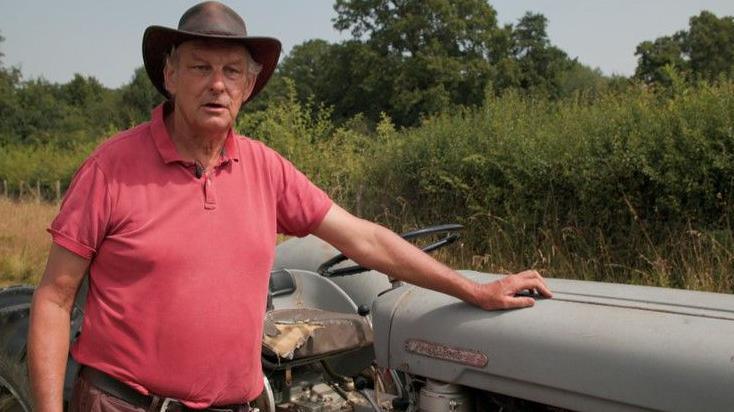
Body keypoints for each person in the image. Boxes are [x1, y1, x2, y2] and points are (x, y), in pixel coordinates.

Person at [28, 2, 552, 411]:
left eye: (233, 71)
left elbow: (364, 238)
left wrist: (474, 290)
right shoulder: (111, 168)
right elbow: (54, 299)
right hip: (123, 405)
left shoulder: (265, 169)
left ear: (249, 86)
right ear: (169, 75)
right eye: (200, 67)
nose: (217, 83)